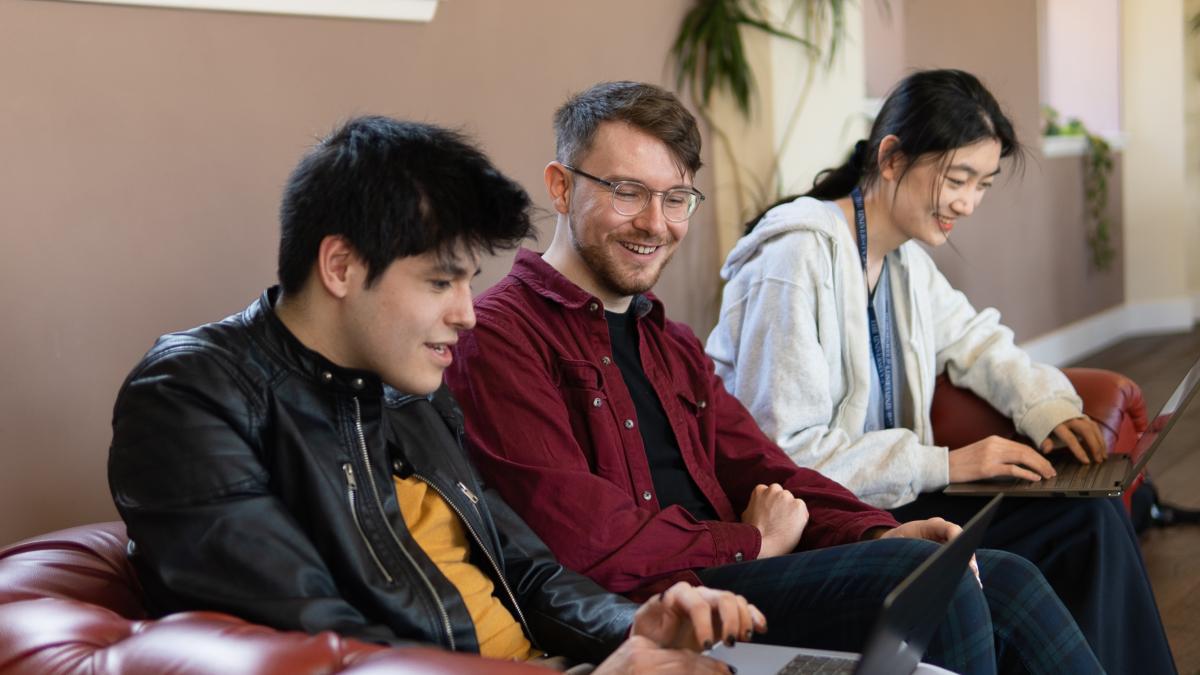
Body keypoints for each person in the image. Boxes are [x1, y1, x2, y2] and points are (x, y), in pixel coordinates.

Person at [444, 81, 1103, 674]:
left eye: (677, 198)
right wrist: (753, 540)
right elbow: (588, 545)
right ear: (560, 186)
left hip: (745, 573)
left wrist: (875, 529)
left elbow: (768, 464)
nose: (655, 223)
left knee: (1000, 576)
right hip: (664, 608)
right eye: (627, 192)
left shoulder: (668, 342)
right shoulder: (499, 337)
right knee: (935, 584)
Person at [107, 115, 771, 674]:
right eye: (439, 282)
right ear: (340, 266)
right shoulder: (192, 395)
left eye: (469, 281)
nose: (469, 313)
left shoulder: (408, 390)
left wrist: (638, 628)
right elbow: (318, 644)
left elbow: (531, 573)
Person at [705, 69, 1175, 674]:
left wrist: (1048, 407)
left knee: (1090, 513)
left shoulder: (901, 260)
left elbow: (977, 342)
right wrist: (948, 463)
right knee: (1075, 526)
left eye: (983, 184)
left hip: (893, 496)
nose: (968, 203)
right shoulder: (795, 259)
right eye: (957, 179)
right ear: (892, 157)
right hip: (831, 520)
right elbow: (785, 456)